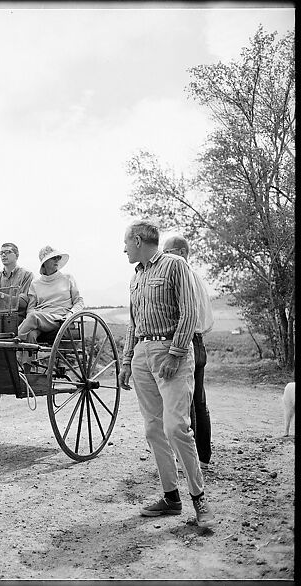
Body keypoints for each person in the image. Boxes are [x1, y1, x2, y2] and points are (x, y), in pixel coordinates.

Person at [118, 219, 215, 528]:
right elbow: (134, 323)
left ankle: (199, 498)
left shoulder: (174, 265)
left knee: (176, 428)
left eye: (125, 242)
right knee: (153, 430)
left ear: (137, 240)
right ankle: (171, 498)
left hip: (170, 353)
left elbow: (189, 312)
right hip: (142, 356)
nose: (123, 249)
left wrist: (175, 353)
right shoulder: (136, 277)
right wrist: (126, 360)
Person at [163, 235, 214, 470]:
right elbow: (208, 320)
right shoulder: (199, 279)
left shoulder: (183, 278)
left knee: (187, 404)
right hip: (199, 339)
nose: (164, 257)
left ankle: (190, 460)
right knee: (198, 401)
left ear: (182, 252)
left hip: (187, 340)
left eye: (168, 252)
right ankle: (203, 457)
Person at [17, 245, 84, 371]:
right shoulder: (35, 284)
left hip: (60, 319)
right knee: (30, 334)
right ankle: (27, 375)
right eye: (53, 258)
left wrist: (71, 315)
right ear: (44, 263)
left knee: (33, 316)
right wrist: (35, 317)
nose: (57, 260)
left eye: (58, 258)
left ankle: (13, 341)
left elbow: (79, 301)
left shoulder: (67, 278)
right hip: (40, 320)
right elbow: (31, 308)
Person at [0, 242, 34, 321]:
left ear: (17, 255)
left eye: (7, 252)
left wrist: (0, 295)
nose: (3, 255)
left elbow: (22, 304)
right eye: (1, 253)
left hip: (17, 320)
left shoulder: (26, 275)